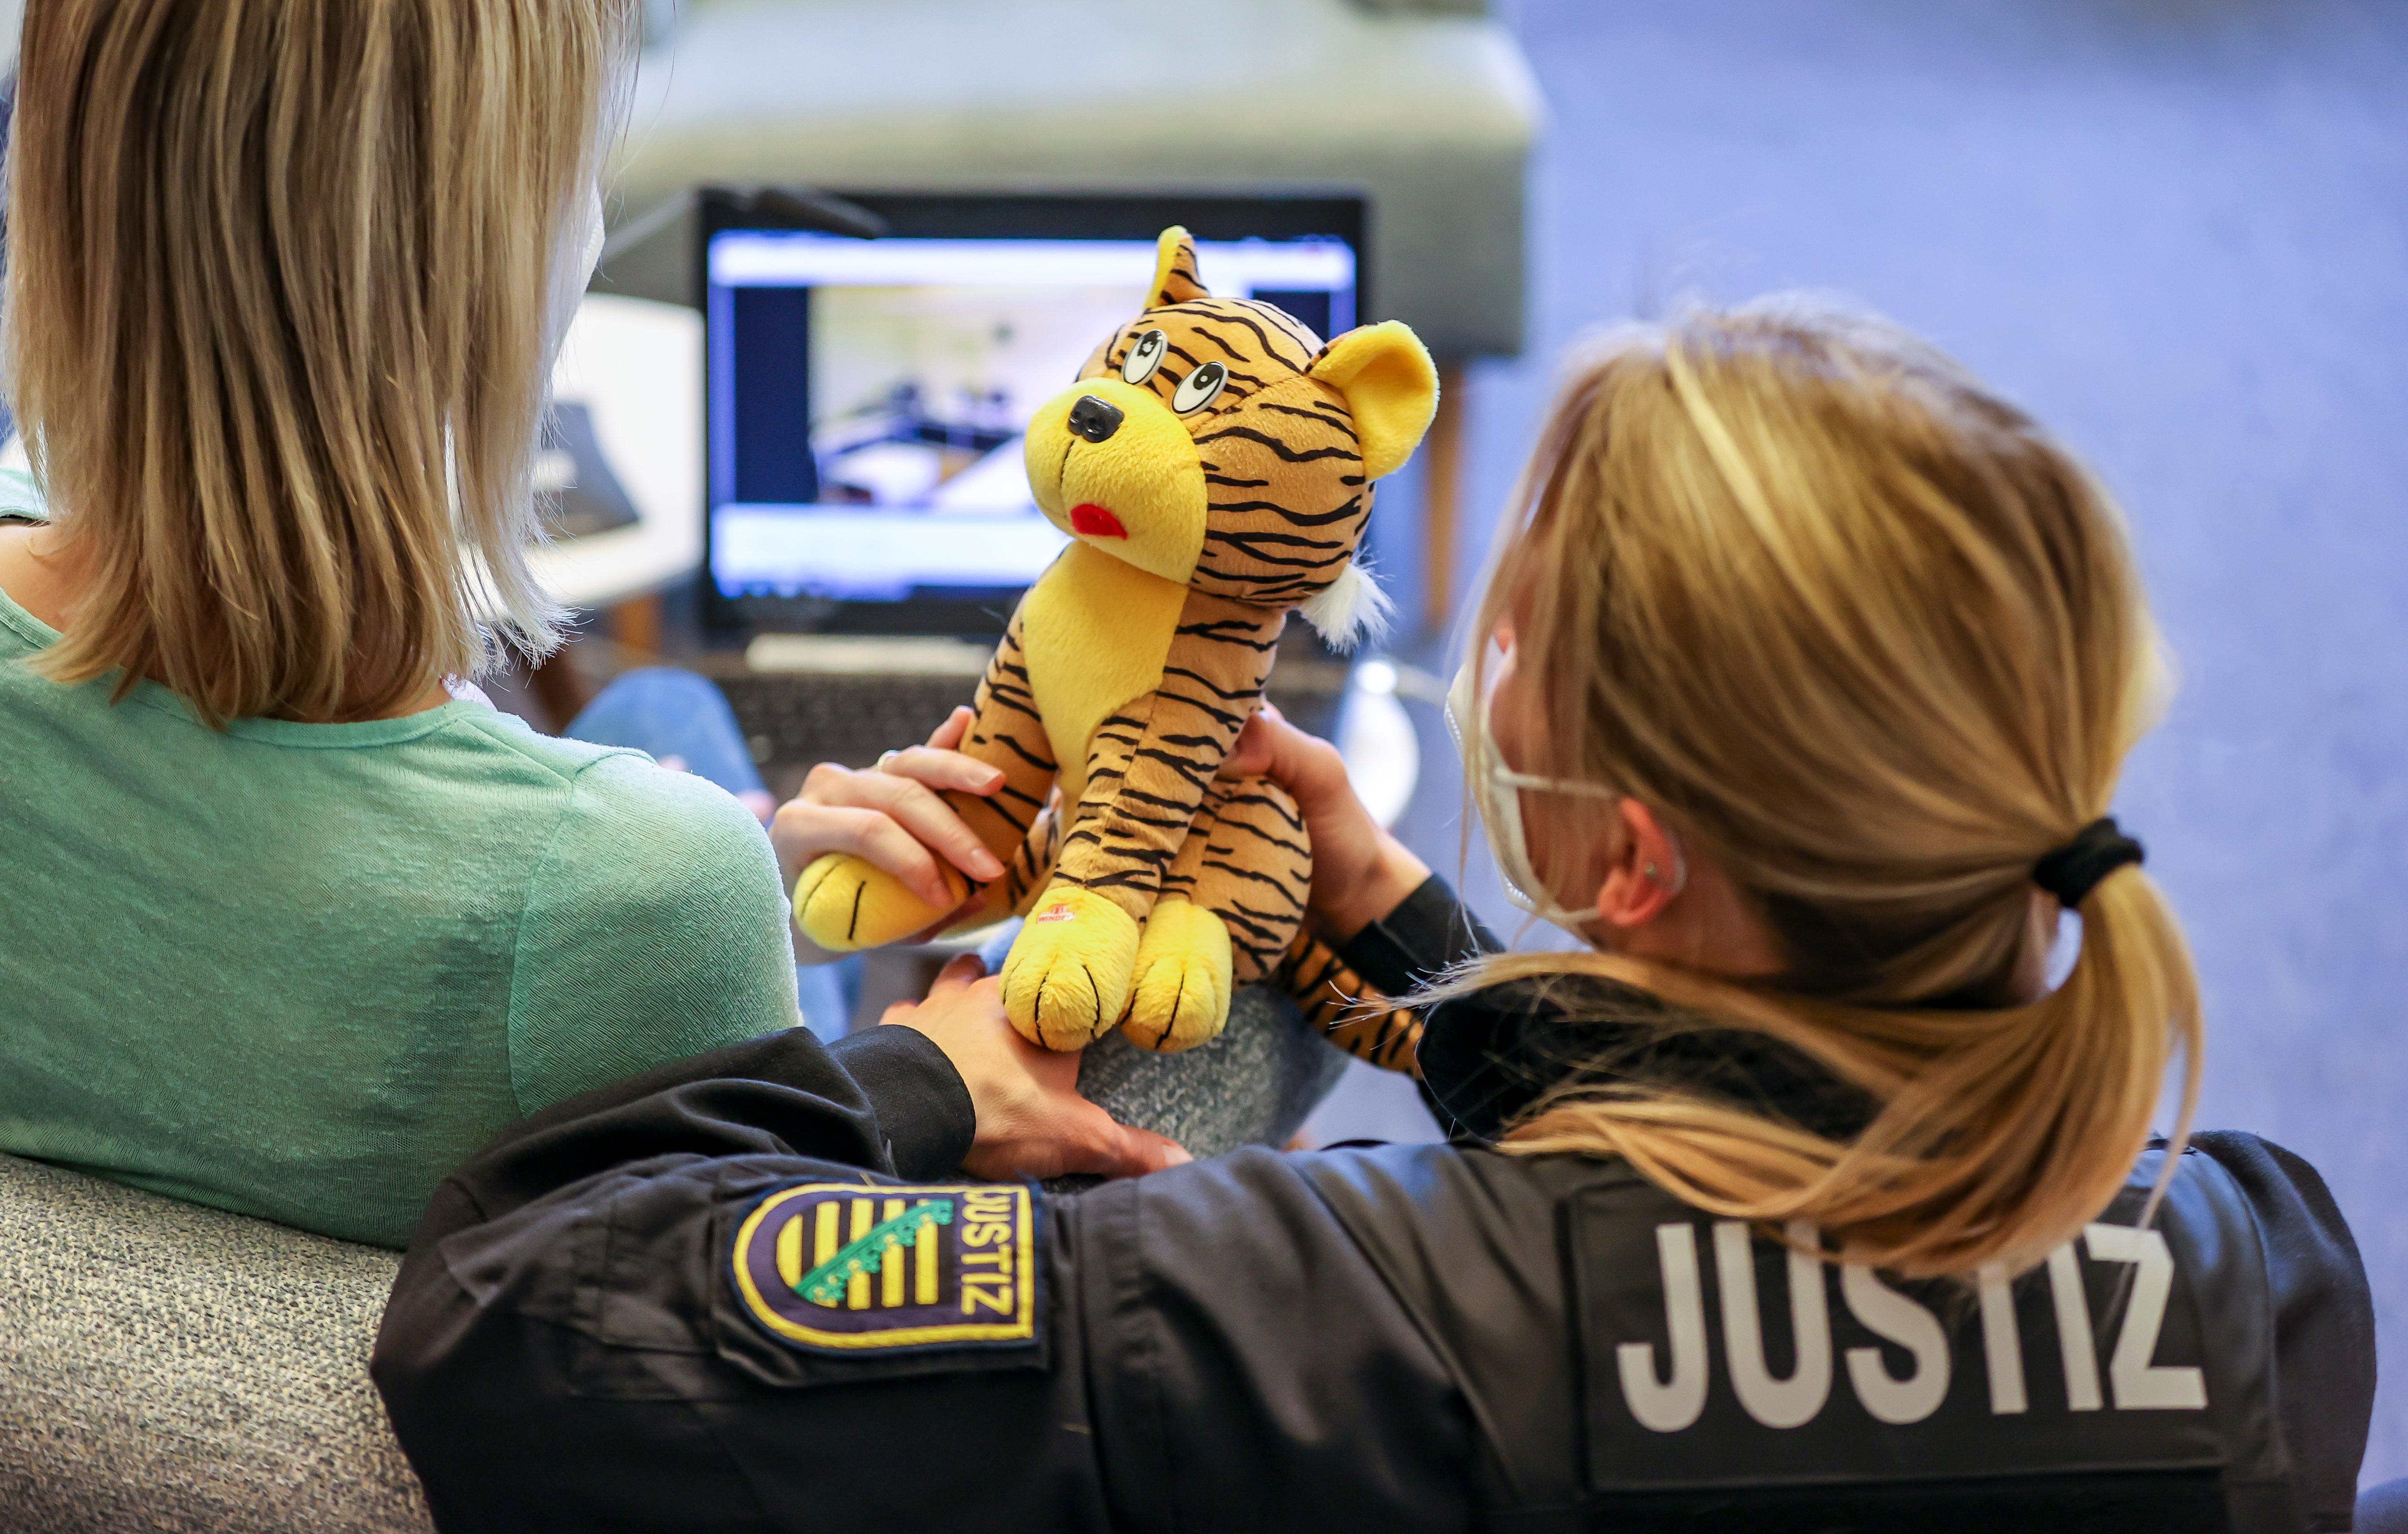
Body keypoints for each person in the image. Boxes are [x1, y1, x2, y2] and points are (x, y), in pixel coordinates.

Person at [371, 301, 2374, 1530]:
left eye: (1514, 638)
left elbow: (519, 1326)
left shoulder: (1299, 1305)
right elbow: (1739, 1241)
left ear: (1639, 862)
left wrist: (924, 1073)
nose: (1492, 668)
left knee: (662, 722)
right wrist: (1422, 942)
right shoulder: (2266, 1279)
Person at [0, 0, 862, 1248]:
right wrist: (923, 1080)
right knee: (677, 724)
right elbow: (795, 1317)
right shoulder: (648, 887)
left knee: (664, 722)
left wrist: (692, 876)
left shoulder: (632, 880)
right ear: (494, 268)